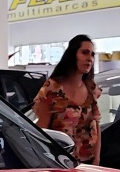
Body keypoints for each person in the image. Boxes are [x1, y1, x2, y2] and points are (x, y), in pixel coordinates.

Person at [32, 34, 102, 163]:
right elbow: (42, 129)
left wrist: (97, 159)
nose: (89, 59)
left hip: (87, 162)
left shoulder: (91, 88)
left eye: (92, 54)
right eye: (84, 53)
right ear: (72, 55)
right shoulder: (52, 88)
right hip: (59, 161)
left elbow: (96, 125)